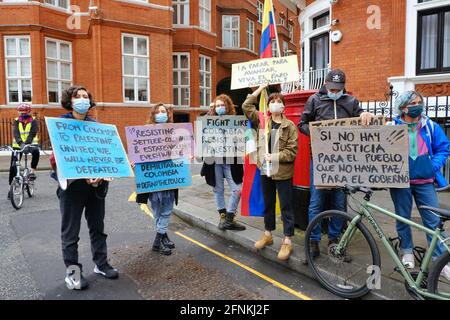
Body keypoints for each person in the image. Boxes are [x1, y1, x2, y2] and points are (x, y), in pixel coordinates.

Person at [298, 69, 374, 259]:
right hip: (320, 159)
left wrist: (365, 114)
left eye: (338, 88)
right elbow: (302, 123)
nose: (334, 91)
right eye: (331, 88)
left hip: (344, 161)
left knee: (340, 203)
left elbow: (361, 119)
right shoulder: (314, 100)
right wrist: (315, 132)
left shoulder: (350, 101)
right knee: (316, 202)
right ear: (325, 85)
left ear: (343, 87)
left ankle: (335, 240)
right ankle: (313, 241)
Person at [50, 86, 118, 290]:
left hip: (95, 186)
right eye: (77, 96)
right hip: (72, 188)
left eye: (85, 96)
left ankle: (101, 264)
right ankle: (73, 274)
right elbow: (56, 159)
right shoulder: (61, 125)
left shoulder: (96, 126)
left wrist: (103, 173)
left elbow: (105, 155)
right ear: (69, 101)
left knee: (98, 227)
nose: (82, 99)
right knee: (71, 233)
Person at [389, 91, 450, 280]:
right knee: (403, 217)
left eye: (419, 102)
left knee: (433, 221)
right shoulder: (391, 126)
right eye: (413, 103)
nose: (418, 105)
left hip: (425, 182)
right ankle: (407, 251)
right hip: (401, 183)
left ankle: (441, 259)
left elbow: (443, 147)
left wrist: (433, 166)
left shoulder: (430, 126)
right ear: (403, 107)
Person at [242, 84, 298, 261]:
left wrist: (274, 156)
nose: (274, 104)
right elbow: (246, 106)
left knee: (286, 206)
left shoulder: (289, 126)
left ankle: (287, 240)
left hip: (282, 172)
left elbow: (292, 151)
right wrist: (261, 89)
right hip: (265, 171)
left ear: (283, 106)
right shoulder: (262, 121)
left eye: (278, 101)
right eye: (272, 101)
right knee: (268, 204)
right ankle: (268, 234)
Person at [135, 104, 178, 255]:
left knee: (166, 210)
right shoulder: (145, 132)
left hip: (170, 178)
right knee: (158, 211)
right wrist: (136, 162)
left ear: (168, 114)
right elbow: (139, 152)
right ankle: (162, 238)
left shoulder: (175, 132)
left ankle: (158, 240)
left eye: (164, 111)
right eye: (158, 112)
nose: (161, 114)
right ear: (153, 115)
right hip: (153, 179)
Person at [201, 95, 246, 231]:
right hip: (214, 162)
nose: (220, 108)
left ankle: (229, 218)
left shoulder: (235, 121)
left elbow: (243, 137)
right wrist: (210, 112)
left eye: (222, 105)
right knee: (218, 189)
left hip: (231, 161)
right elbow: (201, 131)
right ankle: (223, 218)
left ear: (228, 106)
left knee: (238, 189)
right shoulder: (209, 121)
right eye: (217, 106)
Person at [8, 103, 40, 199]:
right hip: (18, 145)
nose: (22, 114)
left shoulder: (34, 121)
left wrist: (26, 144)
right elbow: (16, 133)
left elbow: (32, 133)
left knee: (36, 152)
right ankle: (10, 189)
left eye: (24, 112)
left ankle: (32, 171)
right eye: (20, 112)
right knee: (13, 165)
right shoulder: (17, 121)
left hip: (31, 144)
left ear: (28, 112)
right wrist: (21, 143)